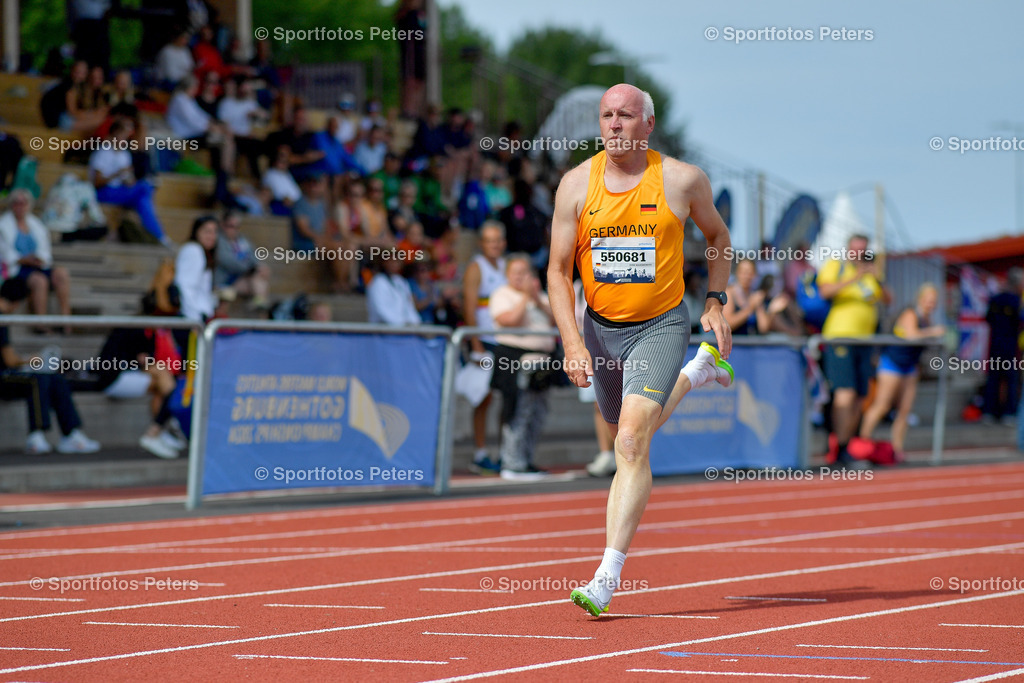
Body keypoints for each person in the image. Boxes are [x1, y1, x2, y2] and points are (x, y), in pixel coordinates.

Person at [547, 84, 734, 617]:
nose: (613, 125)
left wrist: (715, 303)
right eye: (606, 116)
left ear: (648, 125)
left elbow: (719, 238)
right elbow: (558, 271)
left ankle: (607, 576)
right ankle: (698, 373)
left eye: (625, 116)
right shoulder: (576, 184)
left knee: (629, 442)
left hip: (660, 321)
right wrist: (572, 341)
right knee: (620, 429)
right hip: (600, 327)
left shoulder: (681, 179)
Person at [817, 234, 889, 468]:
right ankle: (838, 448)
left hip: (865, 342)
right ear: (848, 249)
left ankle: (846, 445)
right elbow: (825, 292)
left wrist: (876, 278)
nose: (859, 254)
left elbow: (888, 300)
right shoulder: (836, 266)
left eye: (864, 250)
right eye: (856, 249)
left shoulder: (871, 274)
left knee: (859, 396)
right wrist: (855, 277)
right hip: (840, 339)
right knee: (844, 394)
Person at [489, 255, 558, 480]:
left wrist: (536, 299)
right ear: (507, 275)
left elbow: (555, 320)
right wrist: (524, 298)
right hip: (515, 360)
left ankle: (526, 460)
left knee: (537, 413)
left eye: (524, 272)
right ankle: (511, 462)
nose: (520, 277)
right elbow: (510, 320)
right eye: (515, 273)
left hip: (541, 361)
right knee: (518, 411)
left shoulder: (540, 298)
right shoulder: (502, 294)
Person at [859, 283, 945, 459]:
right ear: (920, 299)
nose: (931, 304)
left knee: (905, 410)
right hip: (892, 363)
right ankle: (862, 444)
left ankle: (896, 449)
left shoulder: (926, 319)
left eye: (934, 301)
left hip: (909, 366)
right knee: (882, 405)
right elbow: (912, 335)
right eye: (928, 300)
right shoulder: (910, 313)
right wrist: (933, 332)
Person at [0, 315, 101, 454]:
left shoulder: (4, 318)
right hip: (4, 376)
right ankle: (36, 434)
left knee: (55, 378)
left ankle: (70, 434)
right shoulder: (3, 319)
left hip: (9, 374)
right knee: (37, 380)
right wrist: (29, 359)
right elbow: (10, 360)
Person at [461, 221, 507, 474]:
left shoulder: (504, 266)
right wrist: (476, 343)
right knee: (484, 397)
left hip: (504, 340)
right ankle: (480, 452)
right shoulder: (476, 268)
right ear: (482, 243)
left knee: (505, 396)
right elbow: (468, 306)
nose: (495, 245)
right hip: (485, 340)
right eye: (490, 240)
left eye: (498, 240)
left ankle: (503, 452)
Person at [90, 120, 171, 246]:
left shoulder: (124, 155)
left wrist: (128, 180)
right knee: (144, 189)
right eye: (123, 135)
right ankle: (161, 237)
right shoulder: (103, 153)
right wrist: (117, 173)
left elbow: (129, 181)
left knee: (143, 199)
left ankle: (160, 238)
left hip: (120, 192)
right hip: (103, 192)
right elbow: (97, 183)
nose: (125, 139)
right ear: (115, 134)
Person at [0, 190, 73, 323]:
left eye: (23, 203)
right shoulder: (3, 225)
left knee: (62, 273)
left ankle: (66, 320)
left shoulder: (37, 224)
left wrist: (39, 259)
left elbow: (45, 251)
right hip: (17, 270)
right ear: (11, 205)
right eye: (17, 203)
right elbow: (5, 254)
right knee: (39, 281)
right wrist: (24, 259)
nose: (20, 206)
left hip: (37, 265)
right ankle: (41, 323)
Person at [982, 267, 1023, 423]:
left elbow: (988, 319)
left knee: (993, 379)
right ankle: (1009, 413)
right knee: (1011, 379)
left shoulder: (995, 299)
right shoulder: (1017, 301)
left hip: (995, 345)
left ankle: (989, 412)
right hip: (1011, 346)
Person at [215, 210, 271, 310]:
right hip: (226, 280)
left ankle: (260, 302)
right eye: (231, 226)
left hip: (243, 279)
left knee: (260, 276)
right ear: (223, 225)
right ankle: (260, 302)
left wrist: (260, 266)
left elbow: (254, 257)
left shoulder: (242, 240)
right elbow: (228, 262)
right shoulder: (218, 241)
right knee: (257, 279)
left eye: (237, 227)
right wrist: (252, 269)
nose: (234, 230)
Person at [175, 215, 219, 323]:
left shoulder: (204, 253)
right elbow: (185, 286)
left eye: (215, 232)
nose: (212, 236)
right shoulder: (193, 250)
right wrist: (193, 317)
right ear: (197, 232)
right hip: (192, 317)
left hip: (199, 315)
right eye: (207, 232)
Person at [366, 250, 420, 326]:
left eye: (398, 261)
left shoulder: (401, 282)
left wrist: (415, 323)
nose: (395, 264)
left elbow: (409, 307)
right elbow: (381, 310)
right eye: (392, 261)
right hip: (382, 330)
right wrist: (402, 324)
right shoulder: (377, 282)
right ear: (384, 262)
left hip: (404, 330)